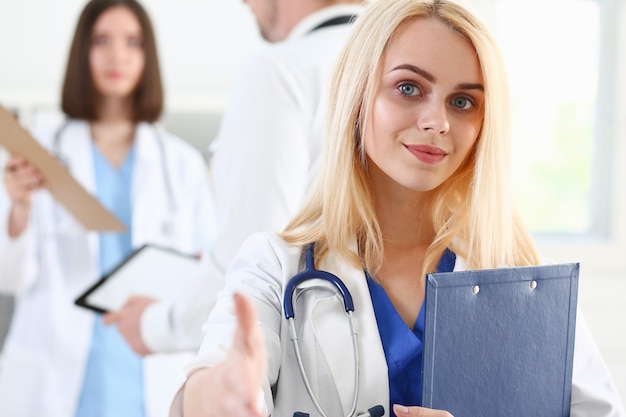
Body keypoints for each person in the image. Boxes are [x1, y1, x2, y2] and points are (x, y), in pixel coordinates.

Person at [172, 0, 626, 416]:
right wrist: (219, 392)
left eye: (463, 101)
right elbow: (211, 387)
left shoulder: (526, 282)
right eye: (409, 88)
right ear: (357, 95)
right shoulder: (275, 266)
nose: (437, 121)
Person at [110, 0, 365, 354]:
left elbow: (248, 257)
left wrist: (156, 325)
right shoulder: (403, 64)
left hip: (311, 359)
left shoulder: (280, 70)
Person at [0, 1, 211, 416]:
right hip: (54, 371)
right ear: (83, 53)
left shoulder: (181, 164)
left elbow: (210, 275)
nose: (117, 55)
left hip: (149, 366)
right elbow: (10, 278)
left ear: (148, 57)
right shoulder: (39, 154)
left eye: (132, 42)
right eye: (102, 41)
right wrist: (19, 207)